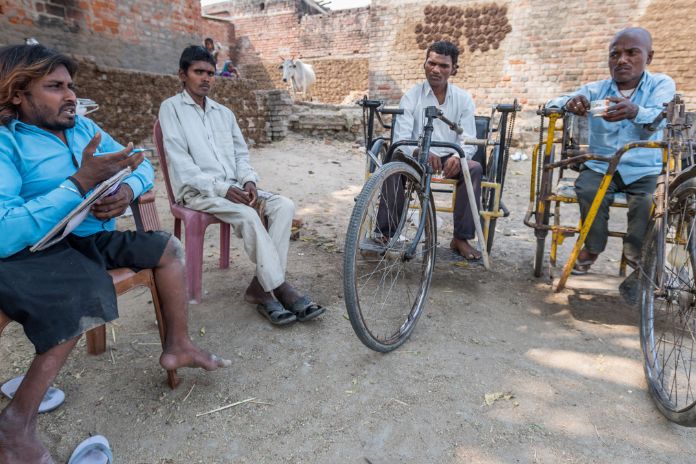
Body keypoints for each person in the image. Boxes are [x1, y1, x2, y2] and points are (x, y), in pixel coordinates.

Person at [0, 44, 231, 463]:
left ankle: (177, 344)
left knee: (166, 247)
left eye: (71, 86)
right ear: (18, 93)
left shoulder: (84, 129)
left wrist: (125, 191)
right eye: (54, 87)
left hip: (89, 238)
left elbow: (139, 161)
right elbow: (4, 230)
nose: (70, 96)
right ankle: (16, 424)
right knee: (80, 294)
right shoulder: (7, 143)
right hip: (36, 250)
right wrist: (77, 184)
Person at [159, 46, 325, 326]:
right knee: (249, 215)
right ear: (182, 75)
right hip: (198, 193)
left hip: (234, 187)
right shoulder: (171, 109)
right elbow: (182, 165)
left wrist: (248, 180)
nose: (206, 78)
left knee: (284, 206)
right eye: (199, 72)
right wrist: (222, 188)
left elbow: (240, 155)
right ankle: (278, 287)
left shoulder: (224, 113)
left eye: (210, 73)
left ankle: (261, 287)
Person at [548, 27, 676, 275]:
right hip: (601, 165)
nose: (622, 60)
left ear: (648, 57)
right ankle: (593, 247)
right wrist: (569, 102)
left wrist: (635, 111)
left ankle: (635, 254)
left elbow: (663, 113)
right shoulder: (596, 89)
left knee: (649, 202)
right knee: (587, 189)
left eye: (632, 53)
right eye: (615, 54)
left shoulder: (661, 84)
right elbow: (554, 101)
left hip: (645, 169)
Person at [385, 40, 481, 260]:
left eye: (444, 66)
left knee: (473, 169)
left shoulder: (463, 99)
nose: (436, 70)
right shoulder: (411, 96)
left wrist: (458, 156)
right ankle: (384, 233)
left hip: (450, 154)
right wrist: (420, 152)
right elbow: (402, 138)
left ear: (453, 70)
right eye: (432, 63)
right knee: (393, 164)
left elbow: (469, 138)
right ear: (425, 64)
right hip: (418, 154)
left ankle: (460, 238)